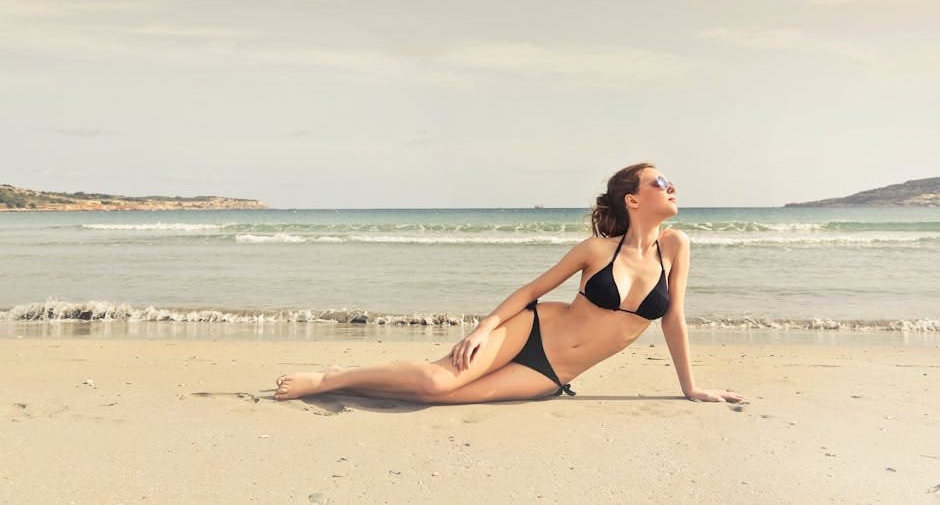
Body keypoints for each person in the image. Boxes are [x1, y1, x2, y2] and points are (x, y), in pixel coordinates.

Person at [275, 163, 743, 404]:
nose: (671, 186)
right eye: (660, 180)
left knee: (440, 398)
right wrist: (482, 329)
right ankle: (328, 379)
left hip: (553, 374)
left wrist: (691, 388)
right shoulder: (597, 250)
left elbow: (673, 320)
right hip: (532, 330)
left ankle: (343, 387)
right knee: (438, 380)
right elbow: (530, 292)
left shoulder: (676, 246)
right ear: (633, 199)